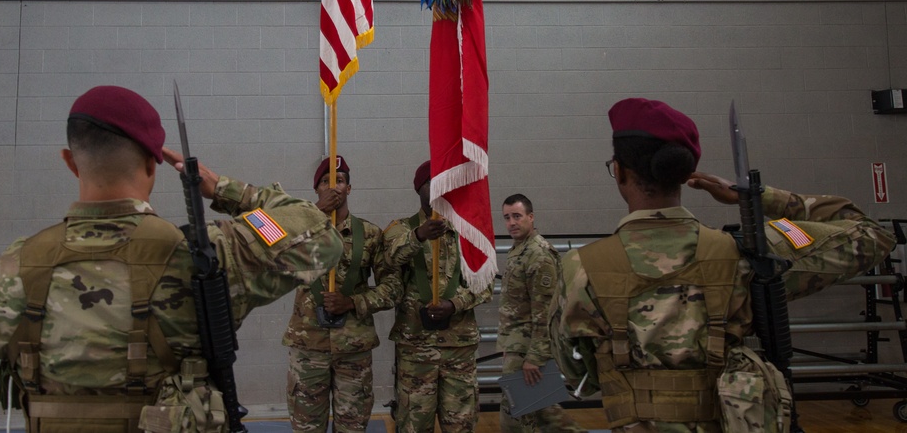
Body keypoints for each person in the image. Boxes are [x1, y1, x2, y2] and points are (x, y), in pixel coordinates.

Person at [0, 85, 343, 432]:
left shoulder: (12, 267)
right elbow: (319, 233)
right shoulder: (206, 256)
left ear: (70, 162)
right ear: (152, 164)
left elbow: (1, 363)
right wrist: (227, 191)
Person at [550, 97, 896, 433]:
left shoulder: (580, 267)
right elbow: (872, 234)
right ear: (684, 175)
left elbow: (578, 374)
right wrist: (759, 197)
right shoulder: (752, 252)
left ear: (621, 172)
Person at [283, 155, 401, 433]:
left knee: (353, 427)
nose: (333, 186)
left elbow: (393, 287)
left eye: (340, 180)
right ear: (317, 189)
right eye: (326, 181)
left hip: (353, 351)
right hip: (308, 348)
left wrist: (354, 302)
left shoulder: (370, 234)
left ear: (349, 188)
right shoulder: (299, 228)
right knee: (306, 427)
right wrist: (313, 213)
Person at [384, 160, 494, 433]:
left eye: (445, 182)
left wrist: (455, 304)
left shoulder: (469, 232)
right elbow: (389, 260)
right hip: (416, 349)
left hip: (459, 347)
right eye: (432, 182)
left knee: (461, 425)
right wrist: (418, 236)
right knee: (413, 424)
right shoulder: (401, 229)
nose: (439, 188)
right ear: (418, 187)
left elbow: (486, 284)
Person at [498, 194, 585, 433]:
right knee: (545, 413)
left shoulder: (539, 254)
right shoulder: (520, 250)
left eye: (517, 216)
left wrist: (535, 357)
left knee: (517, 418)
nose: (512, 222)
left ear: (531, 217)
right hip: (518, 345)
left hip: (528, 350)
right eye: (507, 217)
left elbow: (545, 313)